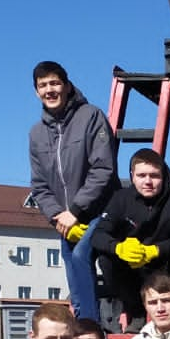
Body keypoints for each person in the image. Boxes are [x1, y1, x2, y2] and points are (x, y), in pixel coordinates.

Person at [28, 61, 118, 320]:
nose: (49, 90)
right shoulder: (36, 134)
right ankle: (81, 323)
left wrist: (76, 210)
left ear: (67, 86)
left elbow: (103, 170)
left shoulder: (91, 116)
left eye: (55, 83)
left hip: (99, 213)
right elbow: (39, 185)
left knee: (80, 256)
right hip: (65, 220)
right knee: (69, 262)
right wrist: (57, 215)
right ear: (36, 92)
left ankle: (90, 328)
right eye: (43, 86)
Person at [91, 149, 170, 334]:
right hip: (134, 270)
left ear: (163, 175)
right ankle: (136, 314)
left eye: (154, 176)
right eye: (142, 175)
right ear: (132, 176)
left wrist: (155, 250)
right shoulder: (121, 198)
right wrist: (118, 248)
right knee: (106, 260)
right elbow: (99, 235)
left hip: (166, 265)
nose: (148, 182)